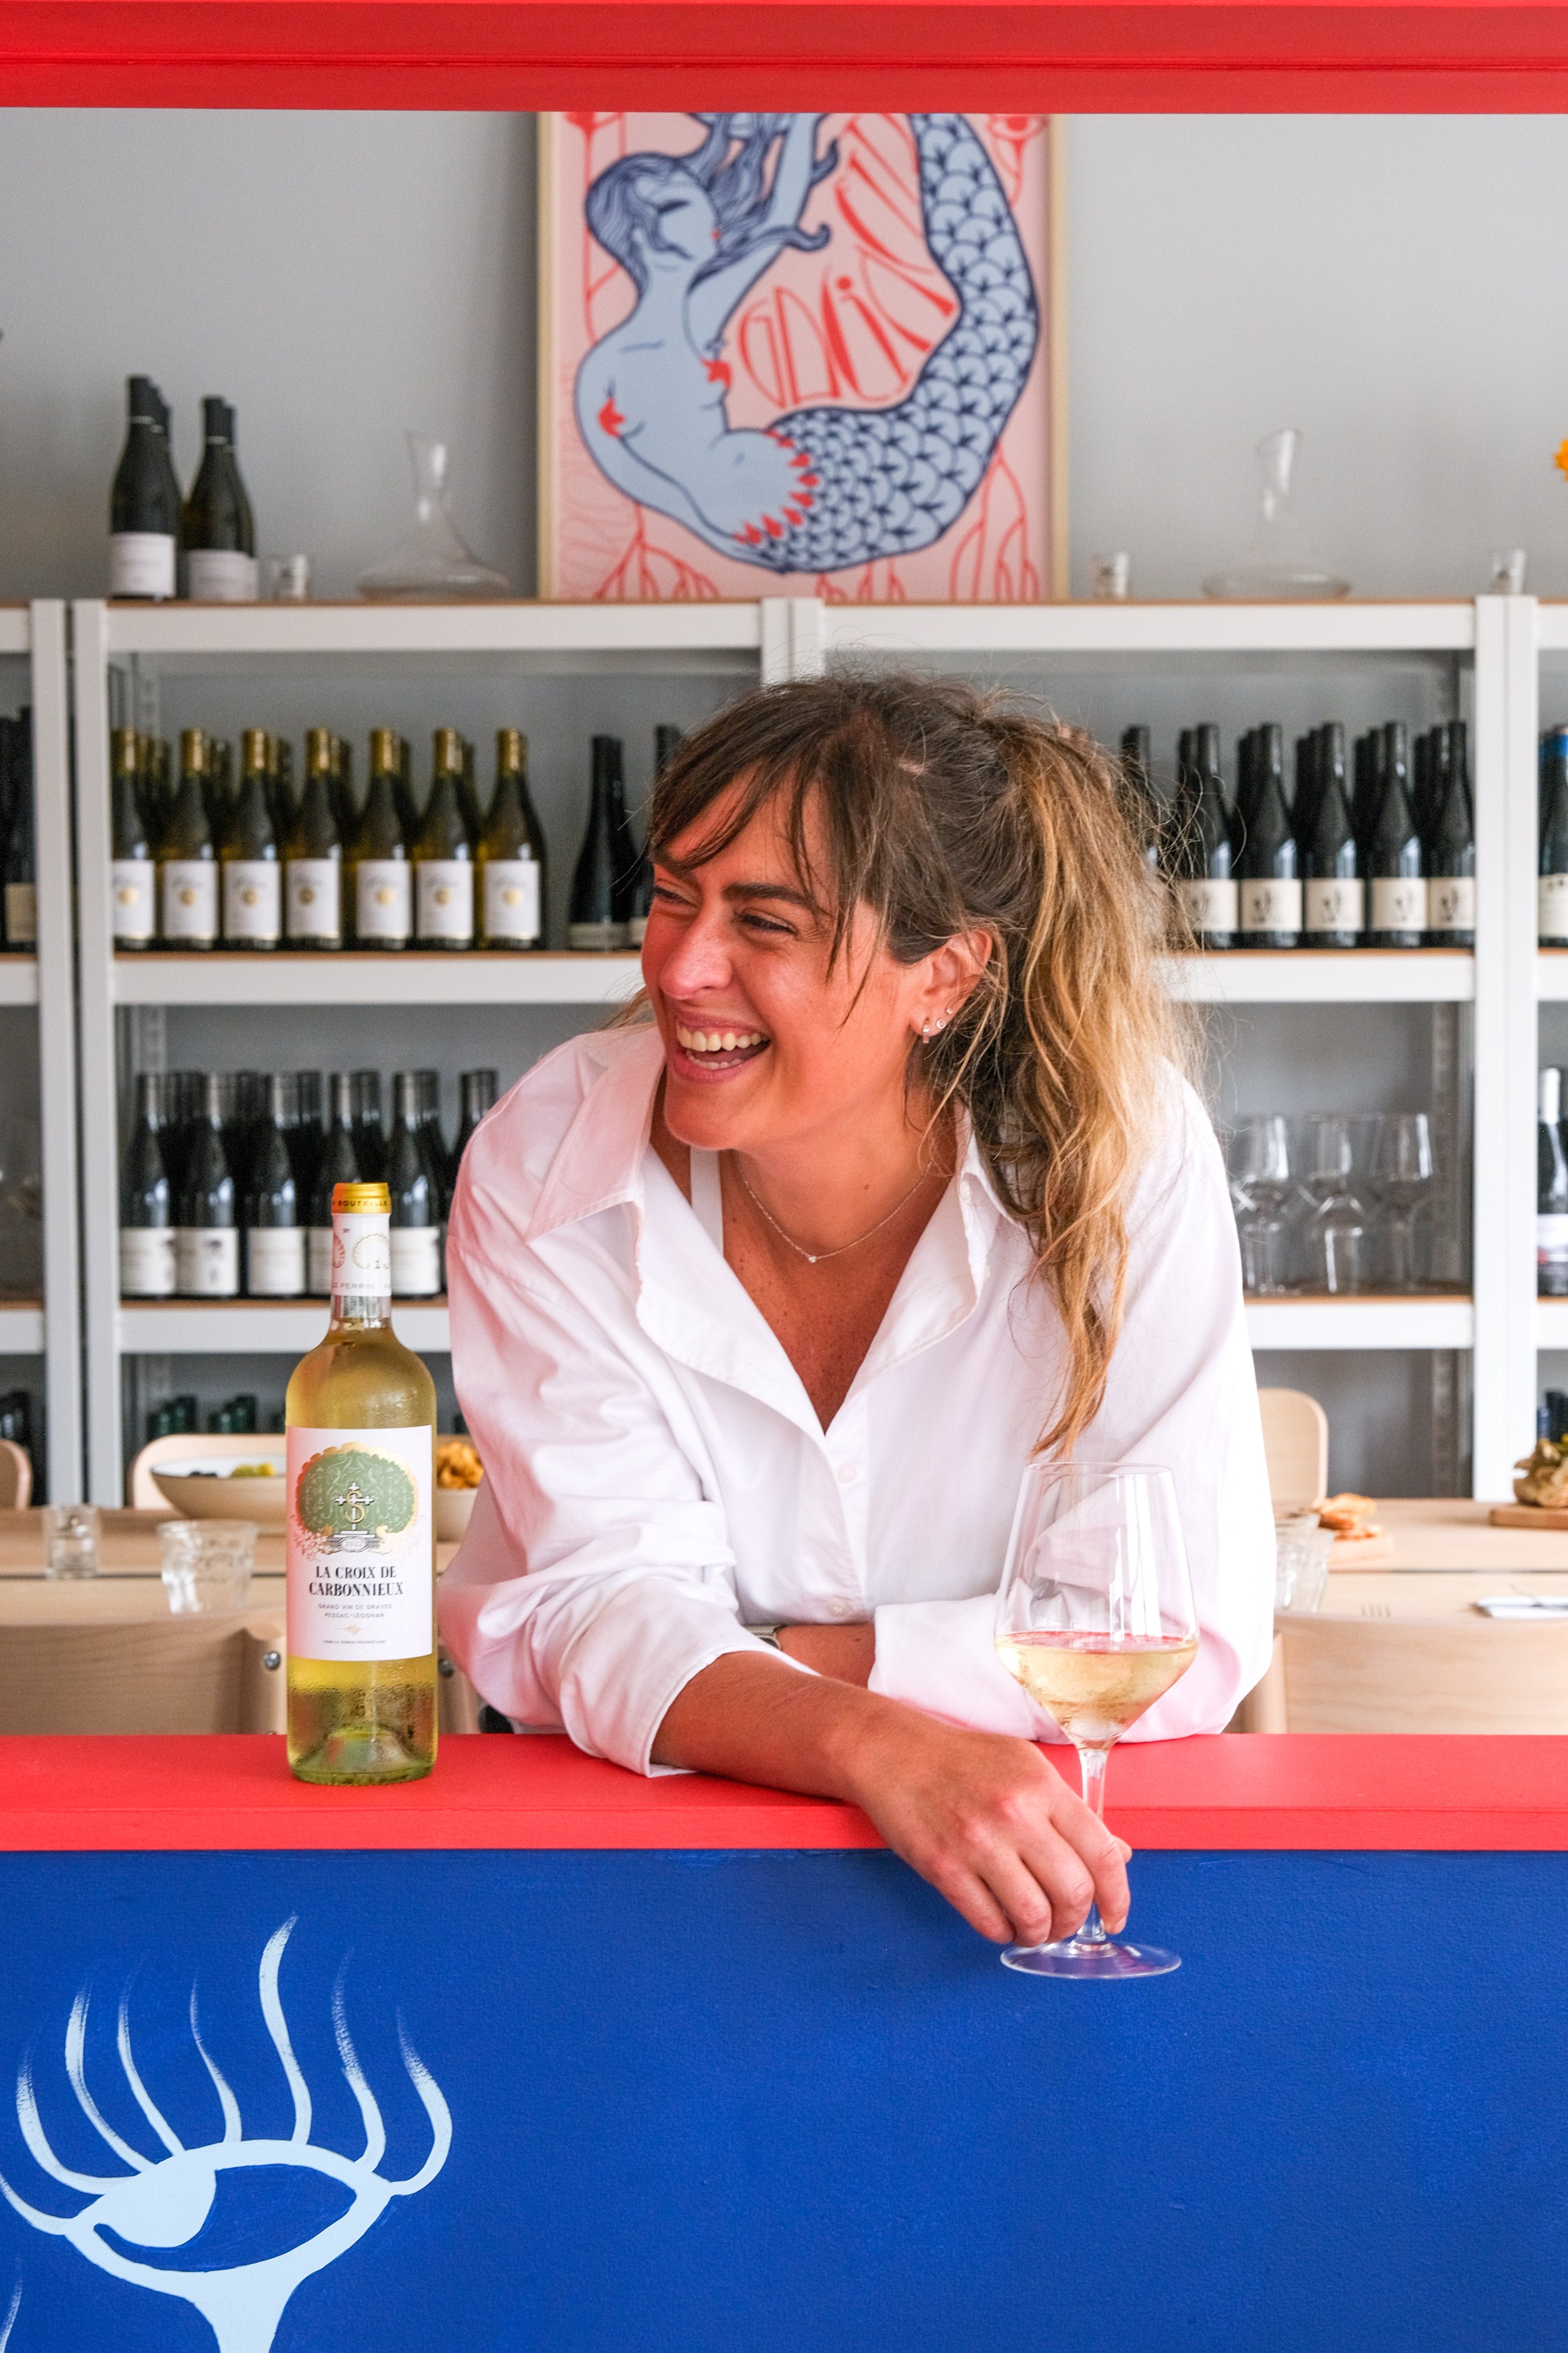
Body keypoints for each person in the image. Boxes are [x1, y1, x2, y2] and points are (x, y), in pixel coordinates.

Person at [440, 673, 1274, 1951]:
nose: (679, 964)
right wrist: (878, 1738)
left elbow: (1172, 1628)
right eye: (670, 895)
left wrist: (742, 1657)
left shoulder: (1116, 1157)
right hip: (639, 1879)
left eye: (763, 923)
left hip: (1052, 1879)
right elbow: (589, 1598)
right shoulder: (547, 1158)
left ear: (939, 977)